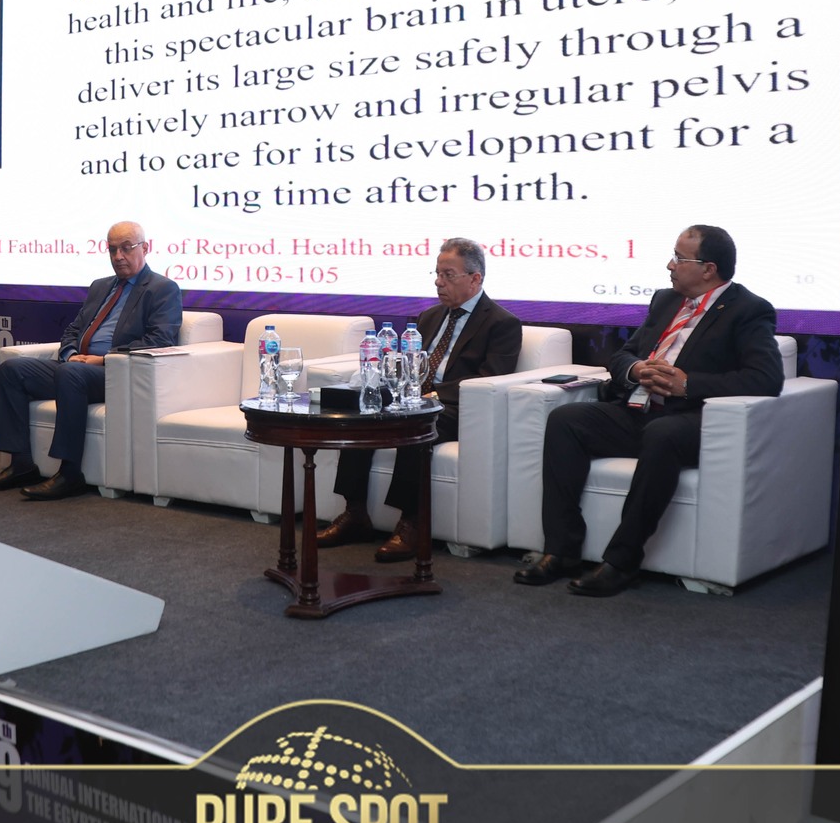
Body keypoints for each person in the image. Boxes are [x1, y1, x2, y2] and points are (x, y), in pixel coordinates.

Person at [517, 225, 783, 596]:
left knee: (662, 433)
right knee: (567, 420)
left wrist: (688, 384)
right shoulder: (665, 300)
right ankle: (561, 550)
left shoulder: (748, 310)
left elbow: (766, 378)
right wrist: (637, 369)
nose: (670, 265)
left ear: (708, 269)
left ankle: (622, 561)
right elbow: (623, 354)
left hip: (692, 420)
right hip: (640, 410)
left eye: (679, 258)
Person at [317, 237, 523, 562]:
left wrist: (434, 394)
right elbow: (408, 363)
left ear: (475, 279)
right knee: (362, 413)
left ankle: (411, 523)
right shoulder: (429, 316)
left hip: (455, 406)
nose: (439, 282)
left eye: (448, 275)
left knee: (416, 426)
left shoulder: (502, 323)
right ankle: (354, 513)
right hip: (413, 395)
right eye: (437, 274)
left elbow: (490, 378)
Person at [0, 222, 181, 499]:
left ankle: (70, 473)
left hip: (115, 373)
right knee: (13, 370)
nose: (118, 256)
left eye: (126, 248)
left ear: (145, 248)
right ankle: (21, 463)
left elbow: (160, 339)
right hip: (76, 367)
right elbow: (73, 330)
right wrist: (71, 354)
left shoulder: (162, 288)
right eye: (112, 249)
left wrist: (103, 359)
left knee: (70, 374)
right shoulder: (100, 286)